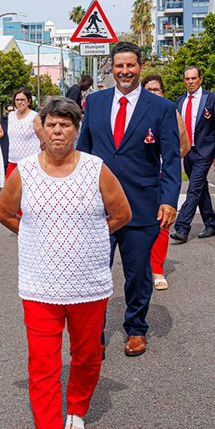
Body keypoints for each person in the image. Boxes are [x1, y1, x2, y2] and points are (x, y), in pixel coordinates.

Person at [0, 96, 131, 429]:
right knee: (42, 367)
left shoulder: (96, 170)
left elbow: (121, 214)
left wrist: (90, 238)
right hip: (39, 286)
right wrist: (32, 236)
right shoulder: (24, 172)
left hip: (89, 285)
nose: (58, 131)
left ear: (76, 129)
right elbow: (5, 213)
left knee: (87, 355)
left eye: (66, 125)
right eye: (52, 124)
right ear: (42, 128)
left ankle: (78, 407)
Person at [76, 42, 181, 357]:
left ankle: (136, 328)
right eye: (119, 66)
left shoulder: (161, 108)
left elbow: (172, 159)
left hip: (142, 205)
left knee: (137, 273)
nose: (124, 72)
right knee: (94, 273)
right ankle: (94, 333)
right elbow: (83, 153)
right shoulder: (93, 103)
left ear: (140, 66)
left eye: (130, 66)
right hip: (98, 208)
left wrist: (169, 200)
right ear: (111, 67)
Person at [141, 74, 191, 291]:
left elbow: (184, 146)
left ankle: (157, 269)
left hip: (161, 177)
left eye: (157, 90)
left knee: (162, 222)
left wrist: (167, 161)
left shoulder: (172, 113)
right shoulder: (135, 115)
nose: (153, 94)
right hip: (138, 179)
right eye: (148, 90)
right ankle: (140, 265)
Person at [170, 65, 215, 244]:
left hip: (205, 151)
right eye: (187, 79)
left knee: (193, 188)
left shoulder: (213, 99)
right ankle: (211, 224)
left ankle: (182, 227)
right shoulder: (179, 101)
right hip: (187, 152)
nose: (190, 82)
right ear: (184, 81)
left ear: (200, 80)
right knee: (201, 189)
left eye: (193, 78)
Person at [6, 88, 44, 179]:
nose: (19, 102)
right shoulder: (11, 116)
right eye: (17, 100)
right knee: (10, 191)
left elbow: (44, 140)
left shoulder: (34, 117)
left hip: (31, 163)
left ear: (29, 101)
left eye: (22, 100)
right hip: (13, 162)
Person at [0, 103, 15, 173]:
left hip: (14, 141)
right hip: (5, 141)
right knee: (5, 156)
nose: (11, 112)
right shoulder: (2, 121)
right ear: (6, 111)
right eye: (9, 110)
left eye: (12, 110)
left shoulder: (16, 120)